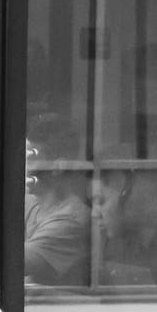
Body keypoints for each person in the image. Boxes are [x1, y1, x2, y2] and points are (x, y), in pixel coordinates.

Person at [23, 119, 90, 286]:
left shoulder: (71, 220)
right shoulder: (31, 204)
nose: (21, 166)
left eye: (30, 158)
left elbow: (2, 265)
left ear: (57, 167)